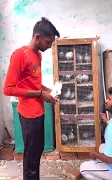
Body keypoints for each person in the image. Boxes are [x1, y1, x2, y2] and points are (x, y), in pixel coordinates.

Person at [2, 17, 60, 180]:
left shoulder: (38, 56)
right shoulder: (20, 55)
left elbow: (35, 84)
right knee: (31, 156)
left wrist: (51, 91)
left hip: (38, 112)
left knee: (37, 152)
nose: (49, 47)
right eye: (48, 42)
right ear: (37, 37)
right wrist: (40, 94)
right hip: (28, 115)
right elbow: (8, 89)